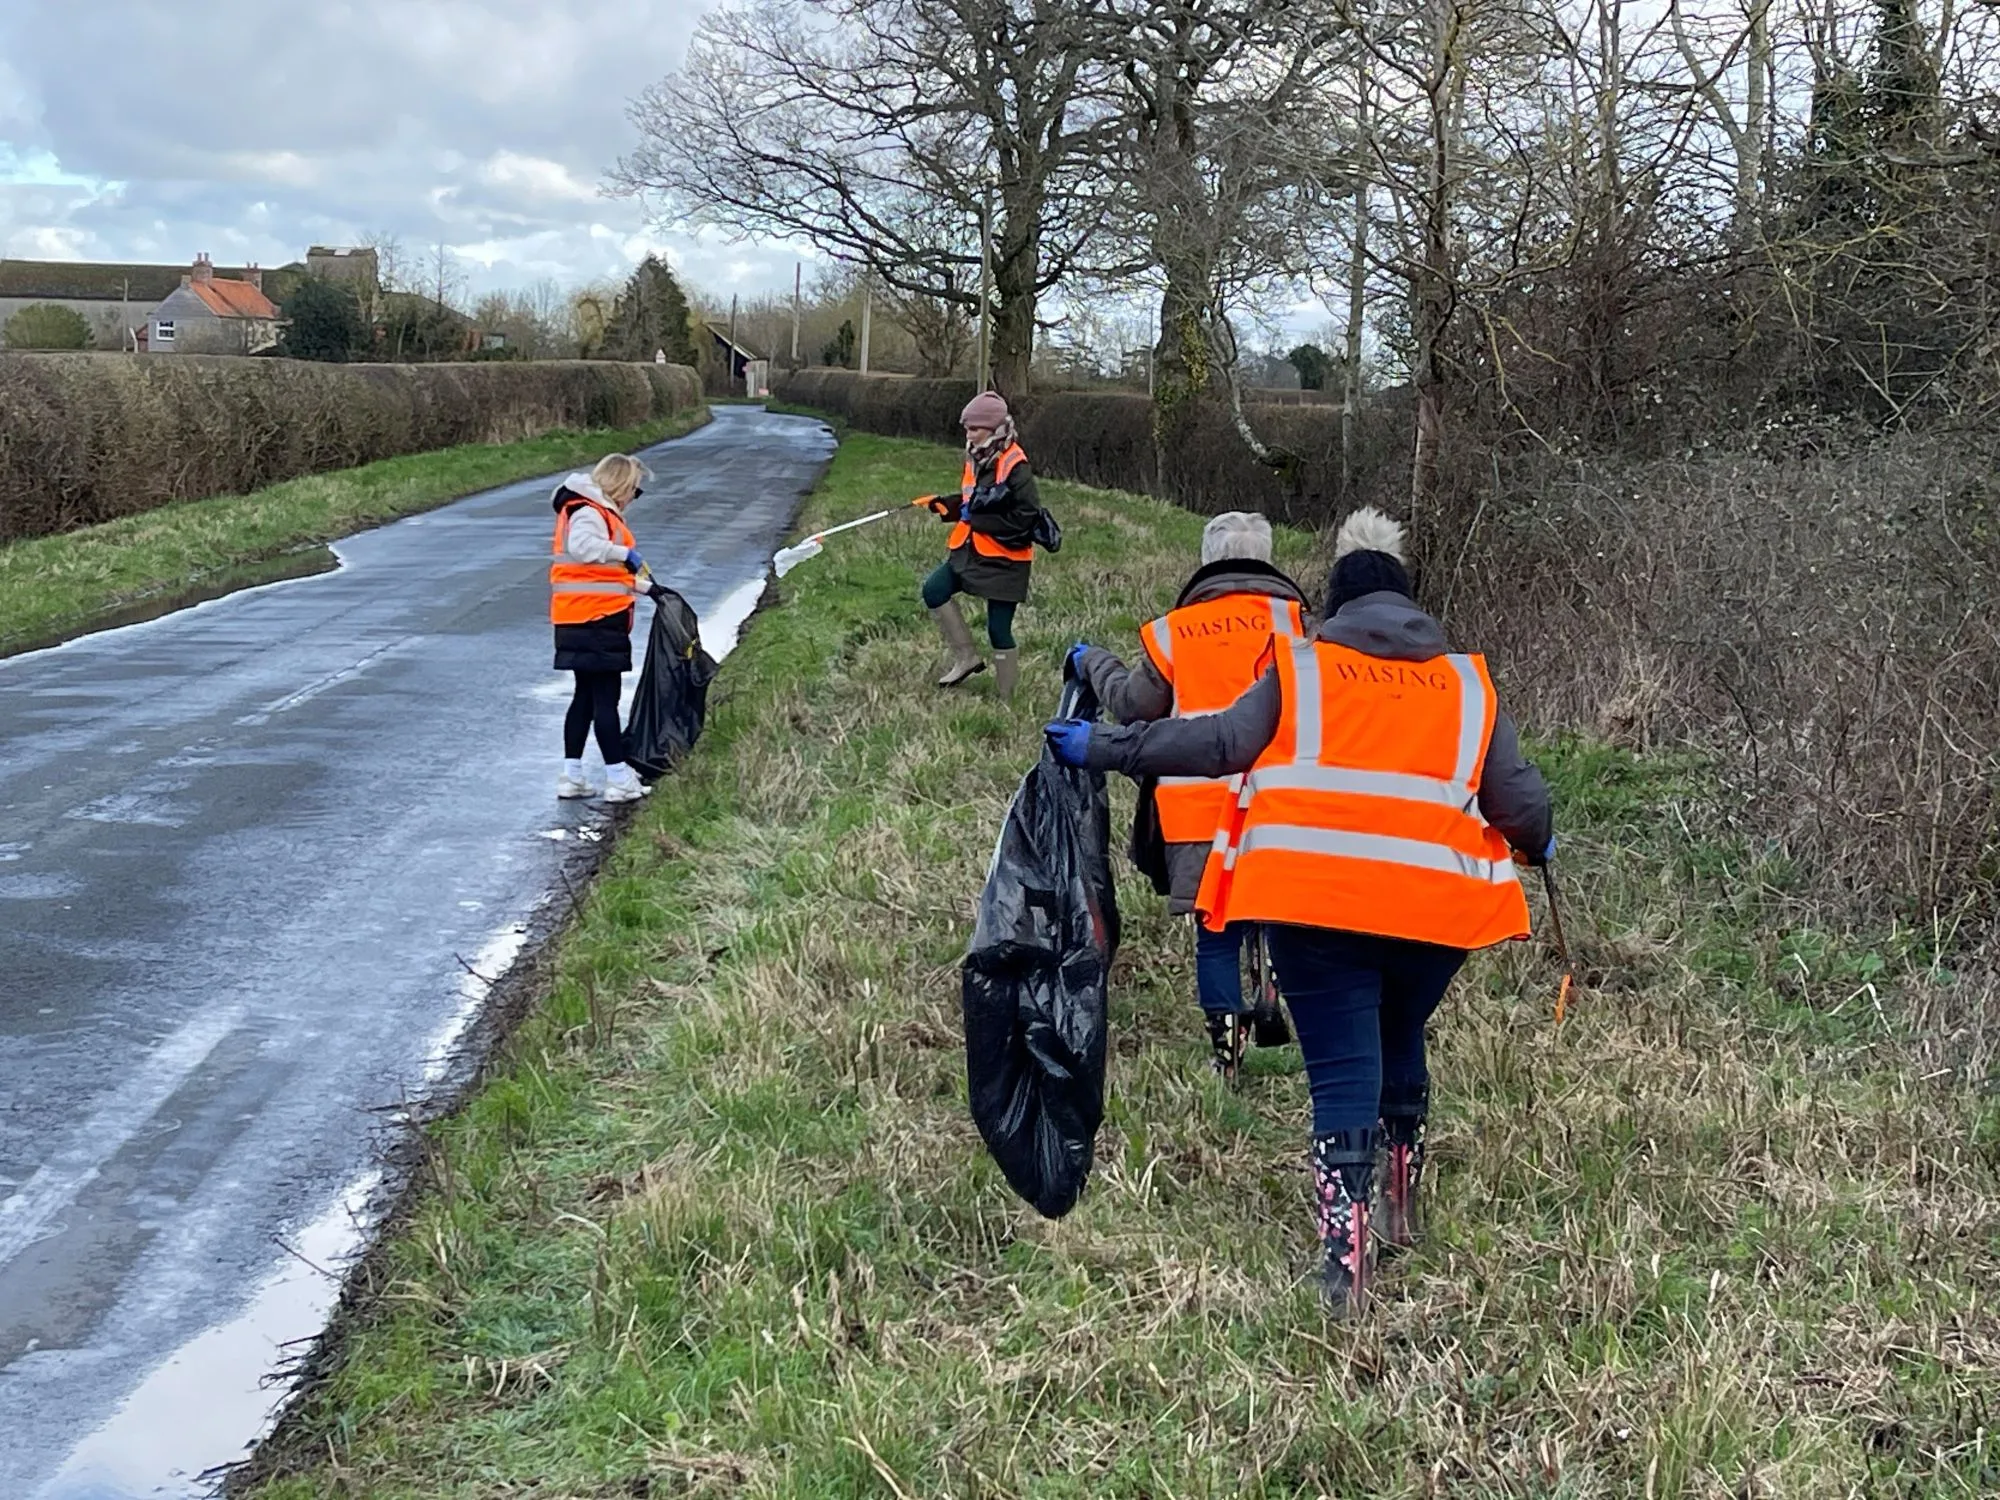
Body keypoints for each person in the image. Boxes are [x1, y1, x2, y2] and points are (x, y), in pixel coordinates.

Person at [1044, 508, 1554, 1312]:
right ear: (1410, 602)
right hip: (1435, 918)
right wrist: (1539, 839)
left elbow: (1214, 744)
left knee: (1345, 1071)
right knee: (1400, 1035)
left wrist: (1103, 747)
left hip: (1316, 911)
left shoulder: (1303, 671)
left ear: (1335, 605)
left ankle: (1347, 1271)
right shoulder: (1468, 684)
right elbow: (1522, 807)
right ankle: (1400, 1207)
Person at [1068, 511, 1309, 1082]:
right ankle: (1273, 982)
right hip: (1281, 804)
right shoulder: (1302, 626)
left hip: (1197, 809)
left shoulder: (1176, 630)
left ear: (1205, 562)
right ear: (1267, 560)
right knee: (1276, 914)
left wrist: (1092, 660)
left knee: (1216, 934)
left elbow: (1132, 707)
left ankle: (1227, 1056)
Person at [918, 392, 1045, 703]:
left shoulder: (1016, 465)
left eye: (974, 429)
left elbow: (1026, 516)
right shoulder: (975, 457)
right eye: (966, 428)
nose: (969, 435)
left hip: (1006, 560)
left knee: (998, 630)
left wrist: (975, 519)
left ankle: (1007, 699)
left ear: (994, 428)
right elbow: (973, 499)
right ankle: (967, 659)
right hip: (969, 551)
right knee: (933, 590)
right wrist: (945, 505)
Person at [550, 452, 659, 804]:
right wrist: (624, 554)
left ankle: (572, 776)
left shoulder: (587, 510)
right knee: (605, 700)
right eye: (634, 490)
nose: (633, 498)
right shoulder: (590, 511)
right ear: (620, 484)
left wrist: (646, 588)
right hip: (598, 619)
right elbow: (583, 549)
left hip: (575, 617)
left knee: (584, 697)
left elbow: (596, 574)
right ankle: (618, 778)